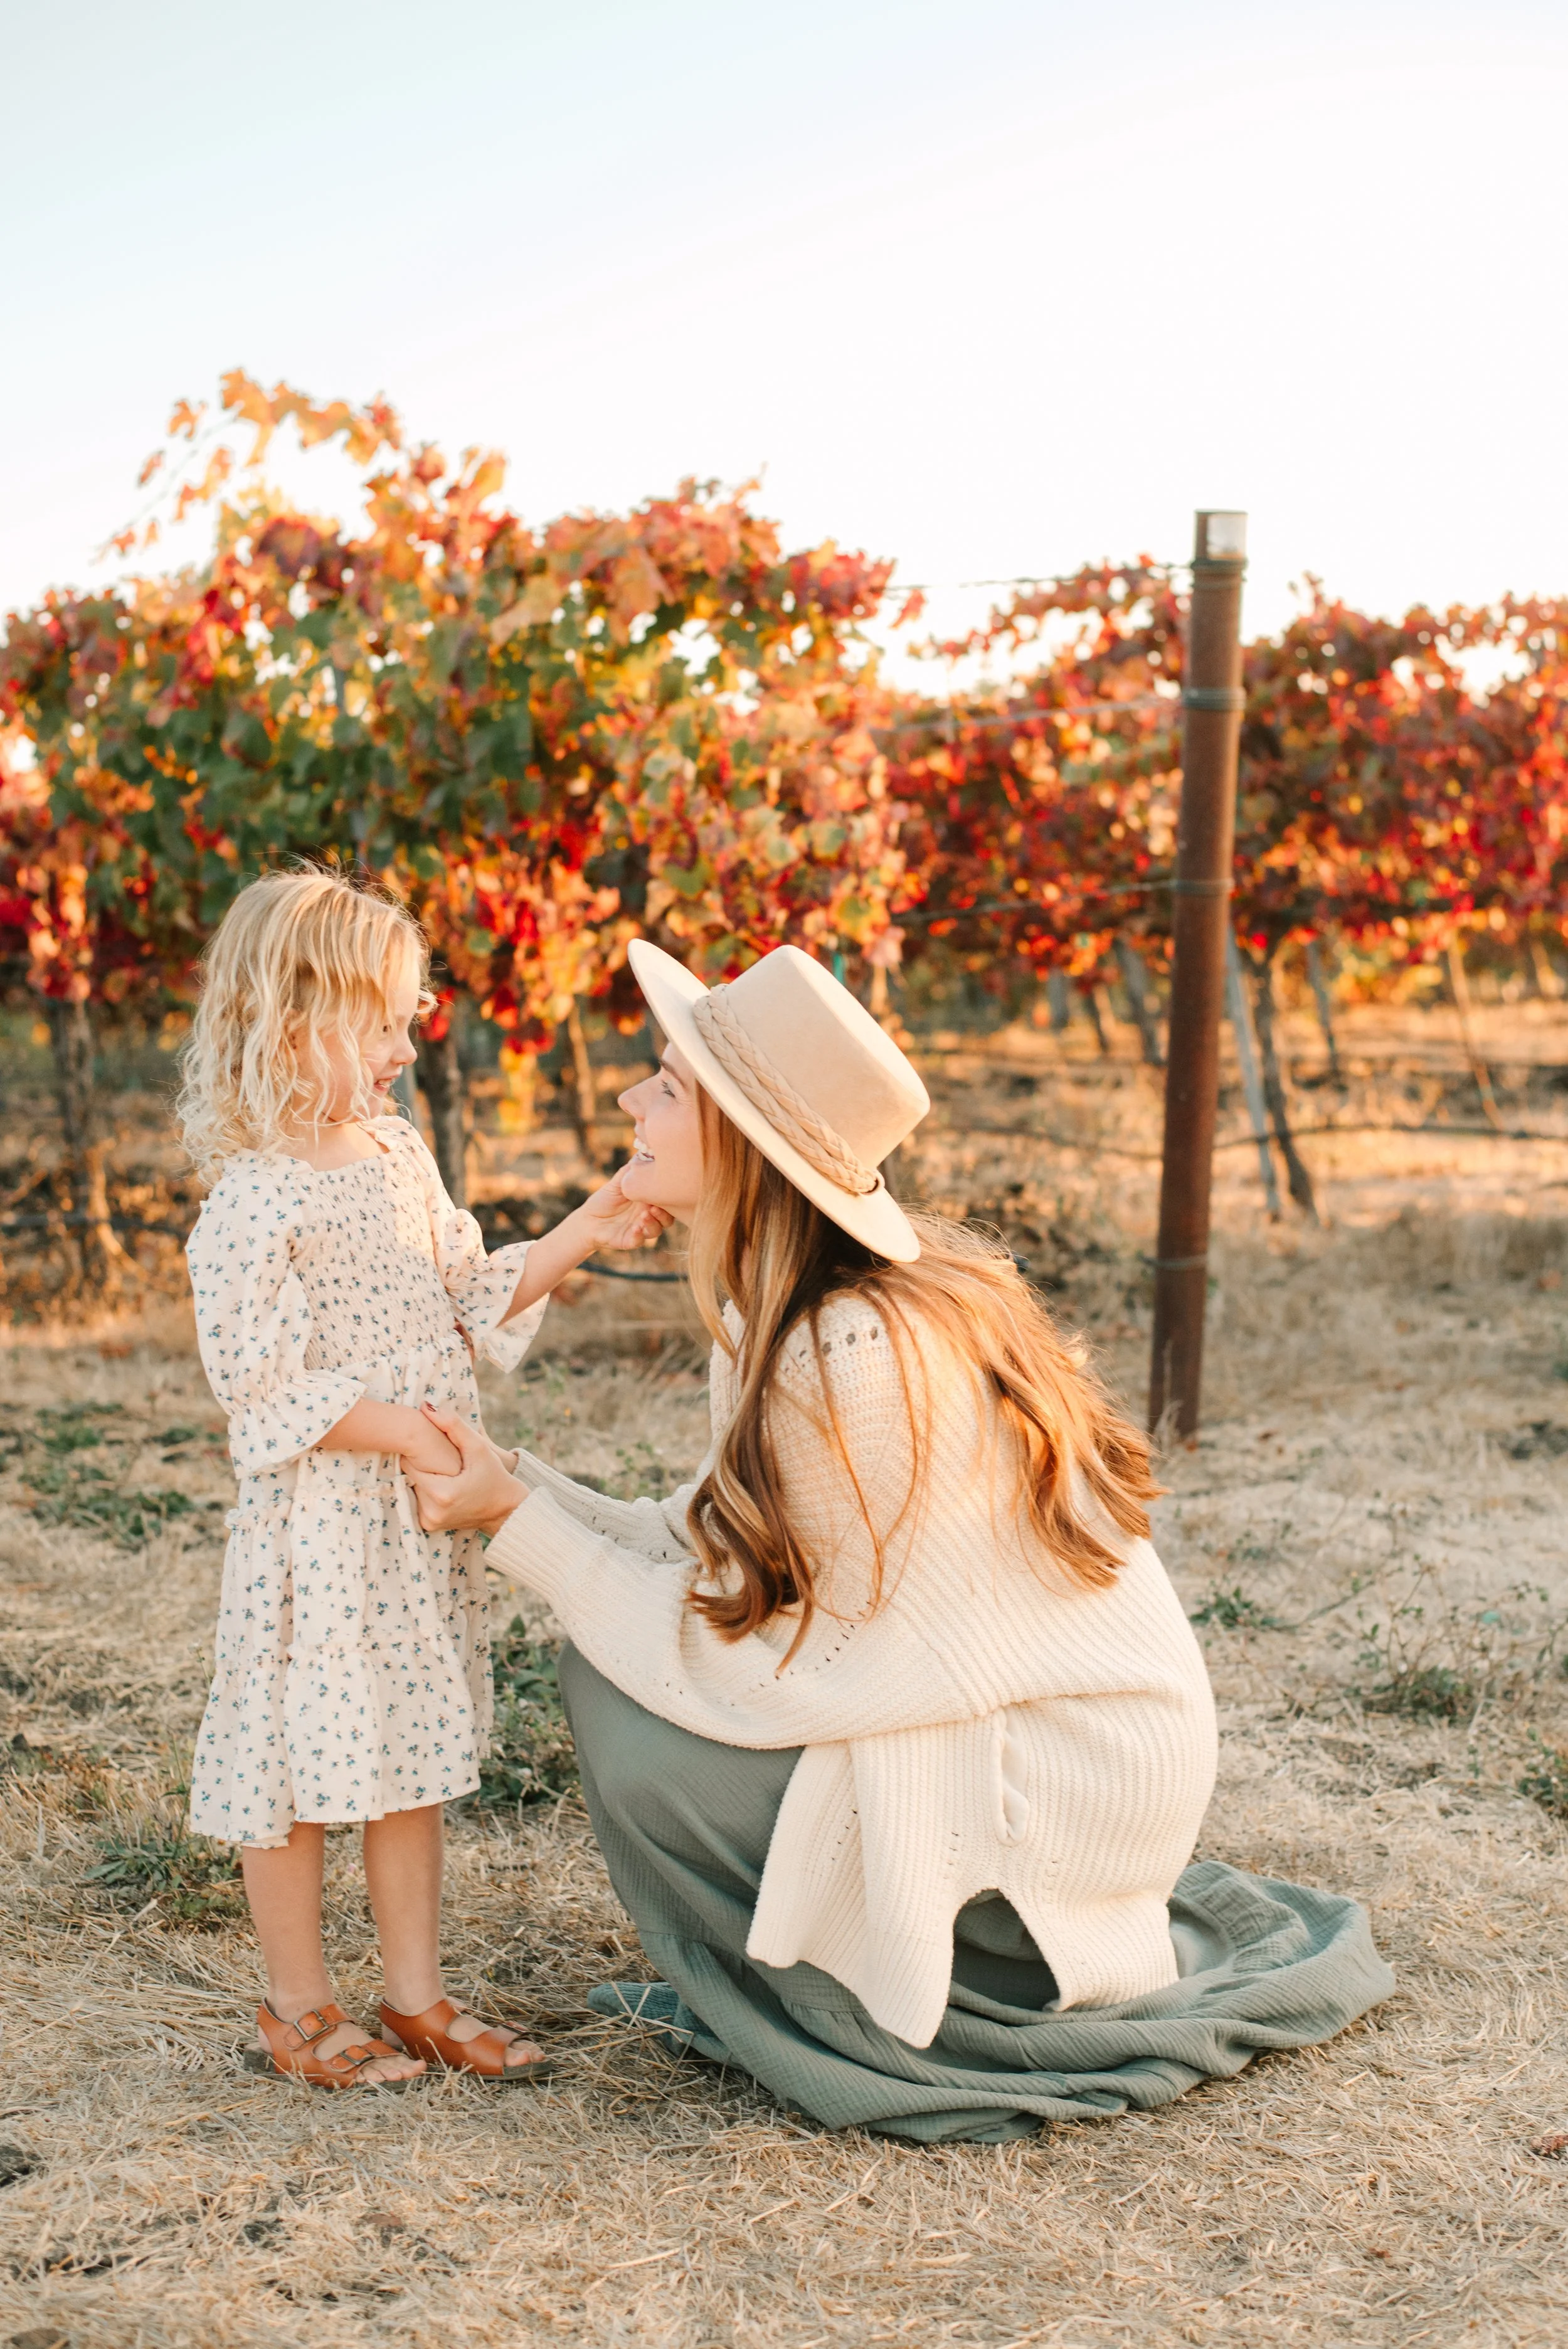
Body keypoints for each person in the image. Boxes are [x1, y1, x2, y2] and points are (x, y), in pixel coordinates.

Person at [409, 941, 1394, 2141]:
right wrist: (521, 1486)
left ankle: (957, 1990)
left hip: (1064, 1777)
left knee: (631, 1710)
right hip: (1023, 1729)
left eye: (665, 1085)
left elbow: (789, 1670)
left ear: (737, 1140)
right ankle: (861, 1963)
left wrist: (522, 1530)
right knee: (620, 1666)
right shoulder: (792, 1307)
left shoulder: (853, 1350)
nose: (630, 1101)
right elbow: (709, 1541)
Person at [178, 870, 668, 2089]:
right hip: (324, 1531)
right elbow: (263, 1387)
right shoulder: (254, 1200)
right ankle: (297, 2008)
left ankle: (415, 1996)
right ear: (294, 1024)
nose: (406, 1048)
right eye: (382, 1024)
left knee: (405, 1747)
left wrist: (590, 1224)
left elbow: (462, 1293)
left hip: (408, 1528)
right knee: (290, 1767)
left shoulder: (396, 1153)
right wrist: (408, 1433)